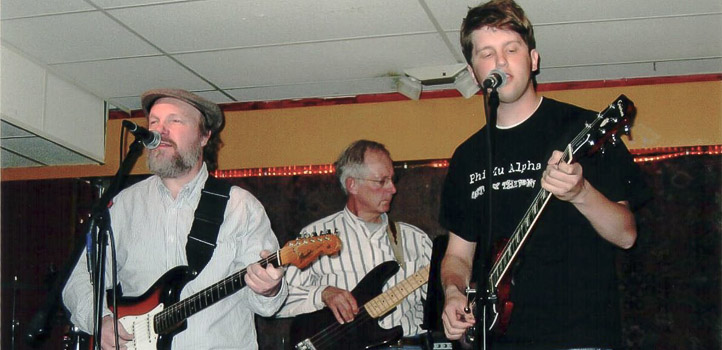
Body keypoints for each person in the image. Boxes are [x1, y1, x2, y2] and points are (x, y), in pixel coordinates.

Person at [438, 1, 650, 349]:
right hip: (499, 339)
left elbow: (626, 234)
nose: (500, 62)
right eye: (487, 54)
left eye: (511, 49)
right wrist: (452, 293)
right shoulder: (467, 157)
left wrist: (581, 192)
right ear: (474, 72)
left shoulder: (581, 128)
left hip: (579, 336)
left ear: (533, 60)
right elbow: (458, 255)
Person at [62, 89, 287, 350]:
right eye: (154, 122)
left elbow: (267, 306)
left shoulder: (241, 206)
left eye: (174, 121)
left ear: (204, 136)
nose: (160, 131)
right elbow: (79, 278)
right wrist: (101, 321)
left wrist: (269, 288)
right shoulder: (124, 205)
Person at [276, 140, 433, 346]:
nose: (393, 189)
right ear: (352, 185)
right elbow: (278, 301)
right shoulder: (314, 237)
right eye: (381, 181)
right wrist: (323, 294)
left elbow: (442, 295)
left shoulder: (416, 239)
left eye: (392, 180)